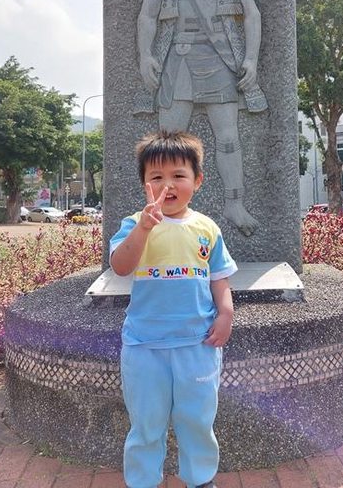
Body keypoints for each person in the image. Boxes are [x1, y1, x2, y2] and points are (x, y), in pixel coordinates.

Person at [110, 130, 237, 488]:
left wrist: (226, 313)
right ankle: (142, 481)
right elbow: (121, 266)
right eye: (156, 177)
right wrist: (144, 228)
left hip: (197, 344)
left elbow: (219, 278)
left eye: (178, 175)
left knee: (197, 419)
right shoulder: (134, 224)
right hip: (144, 346)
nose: (167, 185)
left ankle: (200, 478)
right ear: (144, 184)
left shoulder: (207, 228)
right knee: (146, 423)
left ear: (197, 181)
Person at [137, 0, 268, 237]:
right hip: (177, 61)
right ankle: (159, 207)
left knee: (229, 138)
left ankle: (235, 203)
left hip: (220, 58)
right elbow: (148, 15)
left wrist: (251, 59)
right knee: (167, 143)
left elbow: (251, 14)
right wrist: (145, 56)